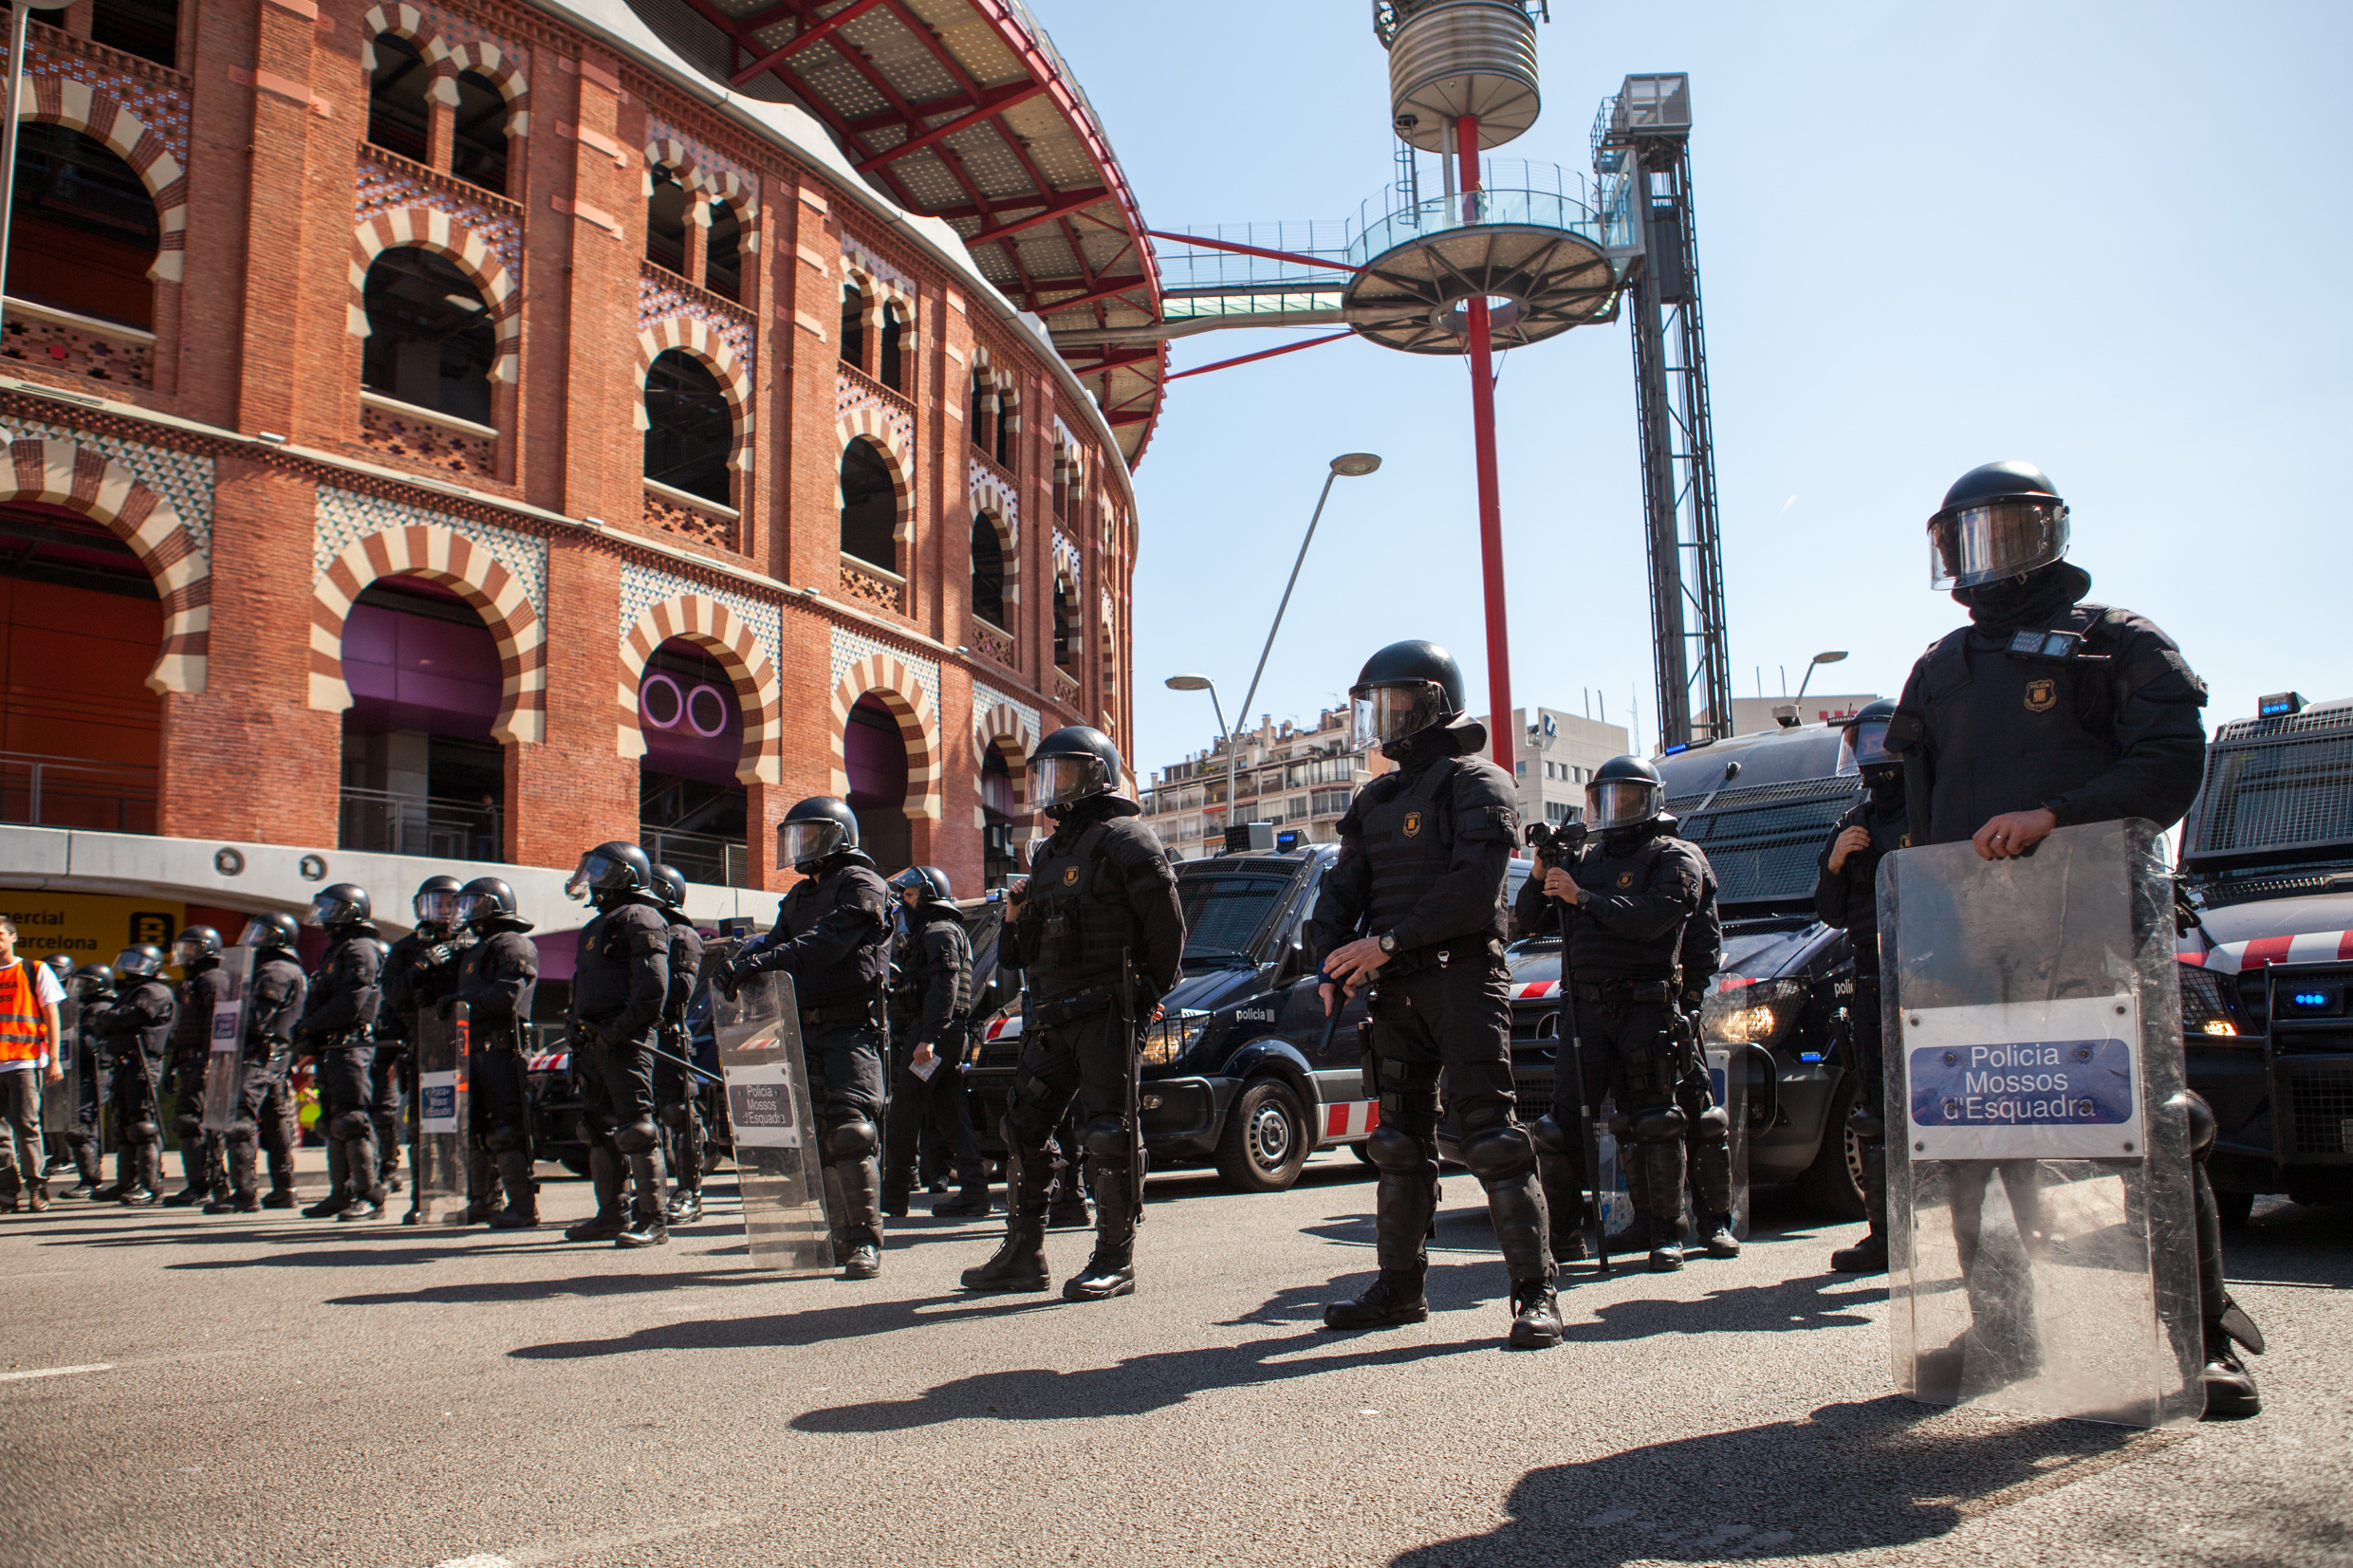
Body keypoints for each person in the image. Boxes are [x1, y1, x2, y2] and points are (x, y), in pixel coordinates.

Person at [1885, 458, 2258, 1420]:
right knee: (1971, 1140)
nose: (1984, 559)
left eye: (2005, 533)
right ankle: (2002, 1329)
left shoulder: (2112, 644)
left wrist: (2056, 814)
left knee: (2154, 1127)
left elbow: (2170, 763)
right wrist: (1876, 855)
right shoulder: (1937, 668)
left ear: (2048, 532)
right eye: (1965, 537)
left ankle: (2201, 1336)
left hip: (2090, 929)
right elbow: (1909, 802)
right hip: (1971, 939)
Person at [962, 727, 1183, 1302]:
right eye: (1046, 775)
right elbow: (1016, 955)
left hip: (1109, 1013)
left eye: (1064, 773)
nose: (1051, 787)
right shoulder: (1051, 852)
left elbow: (1168, 933)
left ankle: (1115, 1259)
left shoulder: (1129, 839)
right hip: (1052, 1015)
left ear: (1097, 775)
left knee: (1110, 1132)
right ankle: (1022, 1252)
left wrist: (1143, 994)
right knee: (1023, 1126)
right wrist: (1014, 915)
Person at [724, 800, 894, 1279]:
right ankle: (837, 1236)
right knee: (815, 1135)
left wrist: (766, 960)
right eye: (794, 837)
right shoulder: (797, 897)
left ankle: (865, 1242)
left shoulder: (863, 885)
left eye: (810, 836)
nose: (799, 848)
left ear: (838, 837)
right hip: (801, 1025)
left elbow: (828, 941)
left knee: (851, 1129)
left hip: (850, 1026)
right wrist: (741, 961)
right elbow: (776, 942)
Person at [1813, 700, 1907, 1274]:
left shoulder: (1936, 806)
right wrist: (1835, 863)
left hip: (1935, 976)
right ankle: (1885, 1235)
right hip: (1872, 978)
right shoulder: (1854, 821)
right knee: (1874, 1111)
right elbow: (1828, 911)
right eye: (1861, 743)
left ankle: (1957, 1232)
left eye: (1880, 741)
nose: (1870, 755)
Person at [563, 841, 672, 1249]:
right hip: (595, 1043)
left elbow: (652, 990)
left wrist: (617, 1031)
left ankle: (654, 1219)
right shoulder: (600, 923)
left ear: (625, 875)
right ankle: (611, 1214)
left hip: (627, 1040)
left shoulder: (641, 917)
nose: (593, 878)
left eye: (602, 870)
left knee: (637, 1129)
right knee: (596, 1128)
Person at [882, 866, 990, 1219]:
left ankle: (893, 1199)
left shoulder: (940, 932)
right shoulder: (933, 932)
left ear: (929, 895)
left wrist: (928, 1038)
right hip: (942, 1035)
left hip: (934, 1037)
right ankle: (975, 1192)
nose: (904, 902)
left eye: (910, 895)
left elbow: (945, 990)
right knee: (951, 1115)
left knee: (902, 1115)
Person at [290, 884, 388, 1222]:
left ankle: (370, 1195)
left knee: (353, 1120)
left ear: (351, 912)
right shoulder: (335, 951)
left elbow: (351, 1003)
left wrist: (308, 1026)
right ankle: (341, 1193)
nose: (325, 916)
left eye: (333, 908)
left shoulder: (361, 949)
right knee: (331, 1121)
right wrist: (307, 1032)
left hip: (352, 1043)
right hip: (331, 1045)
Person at [381, 875, 473, 1210]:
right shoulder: (407, 948)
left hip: (462, 1045)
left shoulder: (472, 943)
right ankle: (422, 1198)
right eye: (436, 903)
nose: (443, 911)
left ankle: (464, 1193)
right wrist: (422, 966)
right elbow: (392, 994)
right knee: (423, 1126)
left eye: (450, 904)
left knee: (463, 1123)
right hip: (422, 1045)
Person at [453, 877, 540, 1229]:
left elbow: (507, 997)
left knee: (506, 1129)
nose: (467, 912)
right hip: (472, 1052)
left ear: (494, 905)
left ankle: (522, 1206)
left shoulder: (513, 944)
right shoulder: (476, 950)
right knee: (476, 1128)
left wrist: (460, 1004)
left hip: (503, 1051)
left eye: (474, 904)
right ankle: (485, 1200)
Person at [210, 914, 308, 1214]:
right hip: (275, 1054)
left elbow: (256, 1018)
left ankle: (244, 1193)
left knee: (240, 1118)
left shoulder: (275, 971)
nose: (253, 938)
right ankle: (284, 1188)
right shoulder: (285, 969)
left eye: (261, 933)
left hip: (260, 1053)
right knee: (275, 1118)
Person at [92, 944, 175, 1206]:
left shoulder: (155, 991)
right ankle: (126, 1182)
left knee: (143, 1123)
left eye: (135, 960)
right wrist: (108, 1019)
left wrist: (107, 1018)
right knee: (124, 1124)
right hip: (125, 1062)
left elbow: (127, 1017)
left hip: (143, 1062)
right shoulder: (132, 992)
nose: (128, 965)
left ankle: (150, 1185)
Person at [649, 864, 707, 1227]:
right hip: (637, 1035)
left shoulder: (681, 934)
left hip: (668, 1034)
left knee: (679, 1113)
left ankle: (690, 1192)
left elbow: (679, 990)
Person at [162, 927, 231, 1208]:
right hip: (190, 1060)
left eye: (190, 948)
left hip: (204, 1061)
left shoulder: (214, 978)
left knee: (198, 1122)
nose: (184, 954)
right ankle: (199, 1183)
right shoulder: (193, 981)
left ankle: (210, 1183)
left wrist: (209, 1062)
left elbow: (216, 1024)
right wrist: (173, 1065)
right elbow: (185, 1030)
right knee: (188, 1121)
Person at [0, 917, 65, 1212]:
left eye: (0, 935)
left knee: (26, 1126)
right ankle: (6, 1191)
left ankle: (37, 1188)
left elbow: (52, 1016)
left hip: (23, 1062)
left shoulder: (34, 969)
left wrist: (53, 1059)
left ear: (13, 937)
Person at [61, 964, 114, 1199]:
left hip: (96, 1073)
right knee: (82, 1124)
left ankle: (91, 1179)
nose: (78, 989)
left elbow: (89, 1044)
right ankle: (89, 1177)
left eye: (84, 984)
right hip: (84, 1073)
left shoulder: (100, 1008)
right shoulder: (87, 1007)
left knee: (83, 1124)